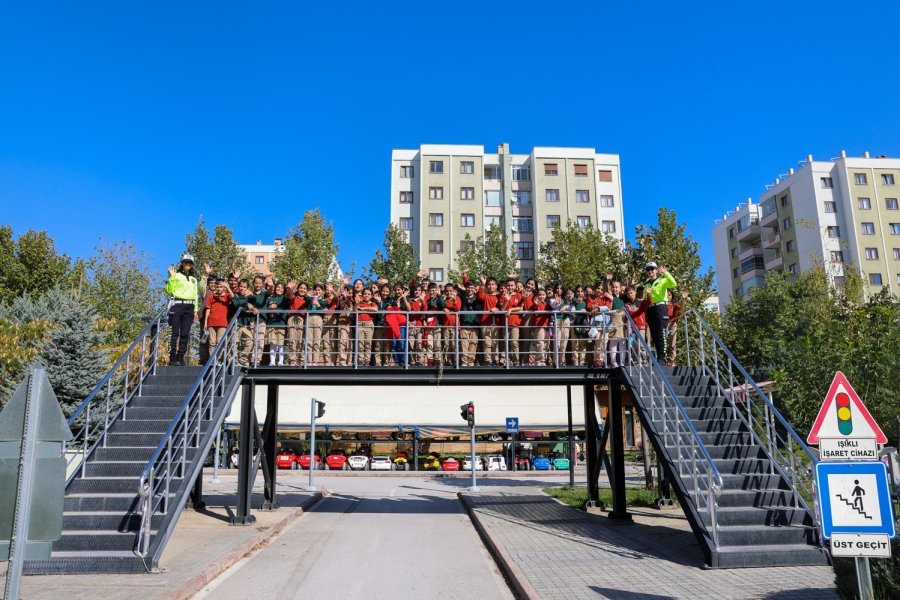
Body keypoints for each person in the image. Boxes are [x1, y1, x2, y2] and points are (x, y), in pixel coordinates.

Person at [165, 254, 200, 365]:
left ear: (192, 265)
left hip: (189, 307)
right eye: (186, 262)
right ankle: (172, 357)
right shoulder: (176, 275)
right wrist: (172, 277)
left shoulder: (194, 279)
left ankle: (181, 357)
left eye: (190, 263)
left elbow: (195, 295)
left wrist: (195, 310)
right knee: (174, 332)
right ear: (182, 263)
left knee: (185, 333)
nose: (188, 264)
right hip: (177, 305)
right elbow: (169, 290)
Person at [643, 262, 677, 361]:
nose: (650, 271)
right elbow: (646, 297)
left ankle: (662, 358)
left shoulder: (662, 280)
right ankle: (658, 357)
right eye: (648, 269)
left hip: (660, 307)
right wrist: (648, 296)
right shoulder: (647, 284)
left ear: (657, 270)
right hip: (651, 308)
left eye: (652, 269)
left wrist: (666, 273)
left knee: (661, 333)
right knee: (654, 335)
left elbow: (674, 284)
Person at [203, 277, 233, 361]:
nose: (219, 288)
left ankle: (219, 358)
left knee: (220, 341)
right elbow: (208, 310)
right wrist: (205, 322)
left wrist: (227, 287)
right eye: (218, 287)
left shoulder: (226, 296)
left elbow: (232, 296)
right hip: (211, 322)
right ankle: (212, 359)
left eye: (221, 287)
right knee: (212, 342)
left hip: (222, 323)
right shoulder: (211, 296)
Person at [232, 279, 255, 366]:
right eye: (241, 286)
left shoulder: (248, 297)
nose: (242, 288)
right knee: (235, 342)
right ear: (238, 287)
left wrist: (251, 295)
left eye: (245, 287)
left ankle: (242, 358)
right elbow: (237, 305)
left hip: (246, 324)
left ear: (247, 288)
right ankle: (234, 360)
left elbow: (254, 301)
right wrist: (247, 306)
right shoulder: (236, 296)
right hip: (237, 324)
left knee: (250, 341)